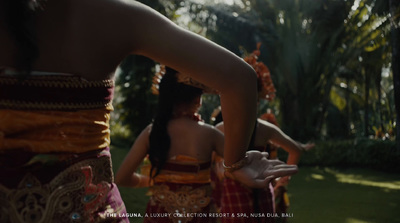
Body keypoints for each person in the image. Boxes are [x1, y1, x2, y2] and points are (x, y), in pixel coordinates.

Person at [0, 0, 298, 222]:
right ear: (196, 99)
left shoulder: (152, 132)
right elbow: (239, 77)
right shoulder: (114, 16)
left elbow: (127, 176)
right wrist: (235, 163)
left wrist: (157, 184)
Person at [214, 45, 314, 223]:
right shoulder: (266, 128)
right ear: (259, 95)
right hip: (262, 194)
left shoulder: (221, 128)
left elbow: (210, 166)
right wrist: (282, 184)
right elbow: (296, 150)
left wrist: (223, 172)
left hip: (233, 195)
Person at [116, 66, 225, 223]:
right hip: (200, 216)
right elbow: (239, 163)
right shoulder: (210, 134)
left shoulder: (152, 131)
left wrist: (154, 181)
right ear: (197, 100)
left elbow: (122, 178)